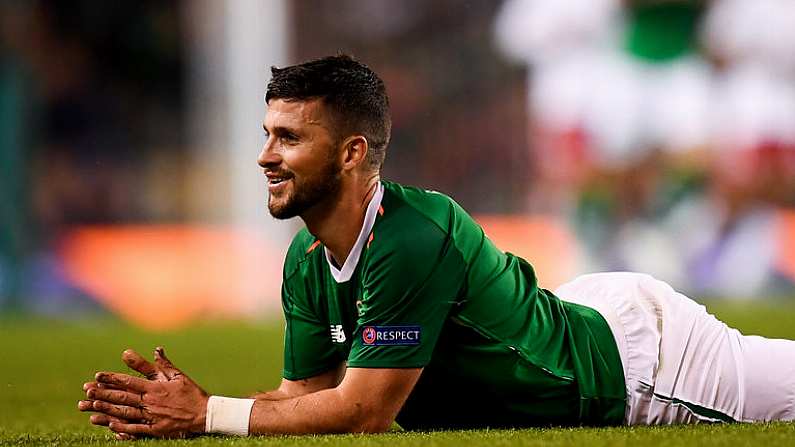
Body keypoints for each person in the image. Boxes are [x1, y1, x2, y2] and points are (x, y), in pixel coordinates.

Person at [78, 55, 795, 440]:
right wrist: (192, 408)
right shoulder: (304, 259)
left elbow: (363, 413)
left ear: (354, 151)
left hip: (637, 364)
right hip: (569, 314)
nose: (265, 155)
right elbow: (306, 397)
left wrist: (208, 415)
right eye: (267, 134)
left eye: (289, 137)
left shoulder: (412, 235)